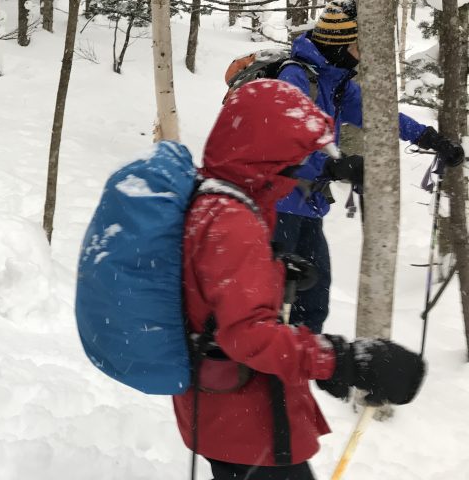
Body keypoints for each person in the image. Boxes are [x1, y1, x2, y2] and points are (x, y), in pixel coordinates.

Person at [174, 80, 425, 480]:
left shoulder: (215, 196)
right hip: (247, 421)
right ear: (268, 154)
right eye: (295, 158)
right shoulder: (232, 221)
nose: (300, 171)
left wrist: (273, 270)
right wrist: (343, 361)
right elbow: (247, 336)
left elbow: (214, 295)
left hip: (224, 412)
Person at [274, 0, 465, 332]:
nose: (364, 53)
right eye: (361, 45)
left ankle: (297, 376)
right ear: (343, 44)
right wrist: (332, 167)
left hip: (307, 207)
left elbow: (381, 117)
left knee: (312, 309)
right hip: (275, 208)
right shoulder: (297, 78)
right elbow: (283, 143)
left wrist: (429, 138)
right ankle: (258, 379)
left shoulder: (336, 85)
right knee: (268, 307)